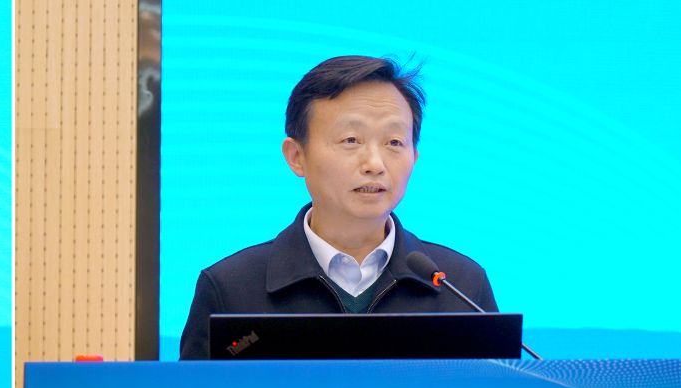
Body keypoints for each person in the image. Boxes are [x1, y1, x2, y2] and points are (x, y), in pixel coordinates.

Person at [178, 55, 496, 359]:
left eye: (394, 142)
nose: (375, 164)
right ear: (296, 157)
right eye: (351, 140)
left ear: (414, 157)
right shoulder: (230, 289)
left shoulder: (462, 286)